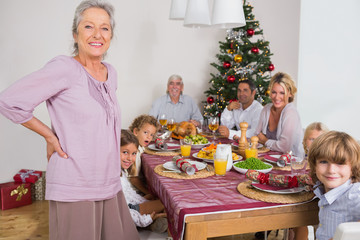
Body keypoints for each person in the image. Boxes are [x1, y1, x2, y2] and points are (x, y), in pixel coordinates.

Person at [0, 1, 139, 239]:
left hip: (108, 181)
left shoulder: (110, 72)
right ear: (75, 34)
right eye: (88, 27)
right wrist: (49, 135)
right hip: (75, 182)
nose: (97, 34)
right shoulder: (64, 68)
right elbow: (9, 101)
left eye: (104, 28)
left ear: (111, 35)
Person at [308, 131, 360, 240]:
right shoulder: (322, 186)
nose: (331, 170)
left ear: (352, 168)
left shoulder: (354, 194)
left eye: (340, 163)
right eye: (323, 162)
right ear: (315, 164)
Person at [120, 130, 167, 233]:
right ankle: (151, 223)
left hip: (131, 205)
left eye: (133, 154)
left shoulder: (120, 171)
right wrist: (146, 219)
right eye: (125, 152)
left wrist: (144, 200)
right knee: (166, 204)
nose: (129, 158)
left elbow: (129, 194)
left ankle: (156, 220)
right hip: (130, 212)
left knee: (159, 199)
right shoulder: (114, 177)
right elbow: (122, 210)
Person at [290, 122, 330, 240]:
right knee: (297, 219)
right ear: (304, 141)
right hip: (305, 201)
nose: (316, 143)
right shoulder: (304, 161)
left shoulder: (328, 164)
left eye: (320, 139)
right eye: (312, 139)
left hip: (323, 204)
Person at [255, 72, 304, 158]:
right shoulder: (266, 109)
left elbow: (284, 147)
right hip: (269, 159)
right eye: (274, 92)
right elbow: (257, 135)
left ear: (290, 93)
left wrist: (265, 141)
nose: (277, 97)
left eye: (282, 93)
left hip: (291, 163)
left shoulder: (291, 113)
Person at [128, 114, 159, 194]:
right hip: (132, 191)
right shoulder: (134, 152)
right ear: (136, 132)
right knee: (161, 202)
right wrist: (148, 193)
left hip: (134, 188)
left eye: (152, 134)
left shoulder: (138, 146)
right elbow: (133, 179)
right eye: (146, 132)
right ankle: (137, 206)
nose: (149, 137)